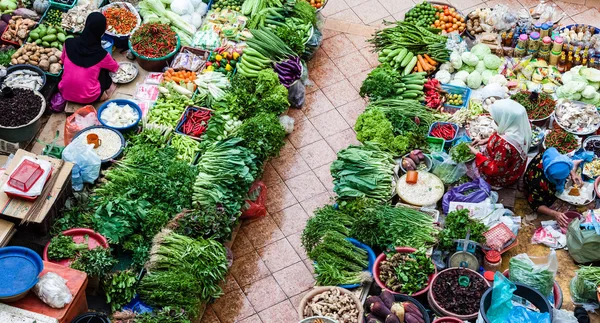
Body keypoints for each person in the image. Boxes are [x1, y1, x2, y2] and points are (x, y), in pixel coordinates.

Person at [469, 99, 532, 188]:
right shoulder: (522, 125)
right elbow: (502, 133)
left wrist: (476, 153)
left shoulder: (504, 145)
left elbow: (494, 169)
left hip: (504, 177)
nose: (495, 120)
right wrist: (486, 140)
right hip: (517, 168)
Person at [59, 12, 118, 104]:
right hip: (90, 97)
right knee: (104, 71)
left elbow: (62, 60)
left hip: (65, 93)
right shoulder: (102, 54)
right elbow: (115, 68)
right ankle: (103, 95)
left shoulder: (68, 43)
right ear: (102, 30)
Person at [523, 147, 583, 227]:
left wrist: (573, 173)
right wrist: (554, 213)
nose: (565, 179)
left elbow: (562, 163)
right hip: (534, 188)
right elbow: (535, 204)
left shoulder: (551, 154)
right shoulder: (538, 183)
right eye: (560, 179)